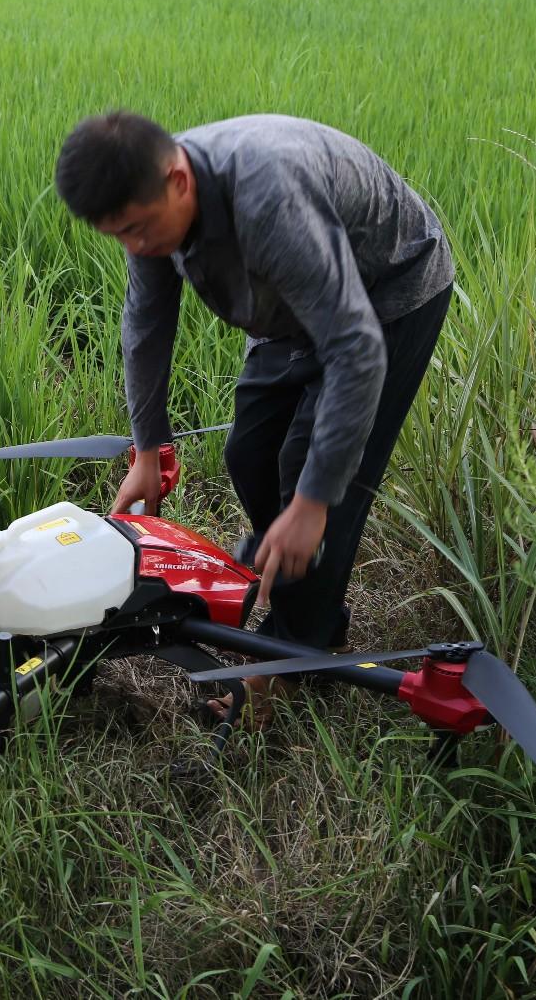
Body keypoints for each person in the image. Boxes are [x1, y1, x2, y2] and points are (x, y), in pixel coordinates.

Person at [54, 111, 453, 719]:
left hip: (384, 296)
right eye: (119, 236)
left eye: (137, 228)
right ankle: (314, 598)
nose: (135, 247)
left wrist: (313, 503)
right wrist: (148, 449)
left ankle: (293, 651)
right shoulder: (154, 208)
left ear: (179, 180)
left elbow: (355, 346)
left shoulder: (267, 200)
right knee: (248, 453)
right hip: (286, 301)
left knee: (313, 476)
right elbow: (146, 325)